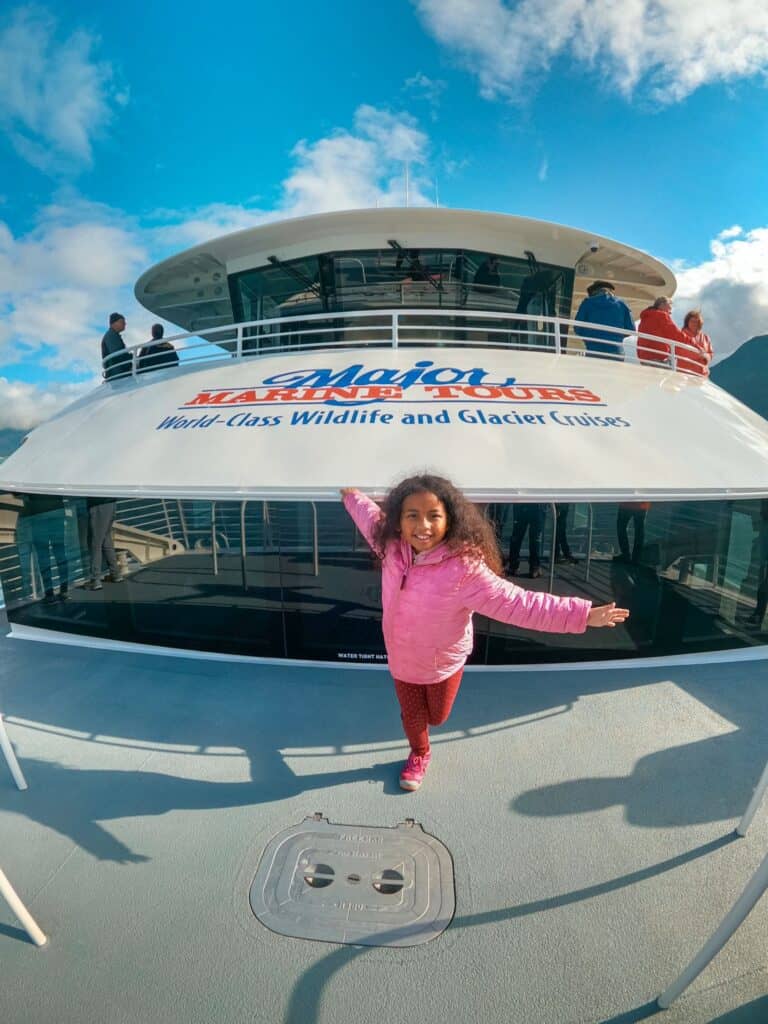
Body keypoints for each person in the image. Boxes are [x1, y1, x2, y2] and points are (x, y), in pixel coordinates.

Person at [341, 476, 628, 791]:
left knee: (437, 717)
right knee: (412, 716)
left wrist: (584, 615)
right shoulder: (390, 548)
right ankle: (420, 754)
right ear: (399, 519)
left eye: (433, 515)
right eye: (412, 515)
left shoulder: (465, 570)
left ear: (450, 519)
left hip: (443, 662)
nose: (422, 525)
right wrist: (350, 494)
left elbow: (522, 604)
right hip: (402, 660)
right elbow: (369, 517)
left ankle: (426, 732)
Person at [19, 494, 69, 604]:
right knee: (60, 552)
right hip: (57, 512)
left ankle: (50, 594)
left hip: (39, 514)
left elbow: (18, 492)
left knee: (43, 556)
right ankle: (64, 591)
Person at [573, 281, 634, 359]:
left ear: (593, 292)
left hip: (593, 349)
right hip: (616, 350)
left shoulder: (587, 302)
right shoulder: (622, 304)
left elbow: (577, 327)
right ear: (611, 291)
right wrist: (616, 337)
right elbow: (630, 329)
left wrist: (590, 338)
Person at [636, 297, 689, 368]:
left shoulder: (644, 319)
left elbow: (640, 340)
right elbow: (676, 334)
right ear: (662, 305)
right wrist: (691, 342)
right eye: (669, 306)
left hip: (644, 358)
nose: (670, 311)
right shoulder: (661, 315)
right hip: (658, 358)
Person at [87, 497, 123, 589]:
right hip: (111, 503)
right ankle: (116, 573)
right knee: (106, 539)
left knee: (96, 543)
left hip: (99, 504)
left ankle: (95, 580)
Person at [508, 502, 547, 578]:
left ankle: (513, 566)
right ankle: (534, 567)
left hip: (521, 503)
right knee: (535, 538)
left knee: (517, 536)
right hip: (538, 504)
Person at [679, 310, 713, 376]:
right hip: (685, 373)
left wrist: (706, 357)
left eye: (697, 321)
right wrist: (700, 355)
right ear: (687, 322)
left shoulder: (705, 337)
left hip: (702, 374)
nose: (694, 323)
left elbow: (710, 353)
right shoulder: (681, 335)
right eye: (692, 321)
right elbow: (680, 351)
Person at [101, 313, 132, 380]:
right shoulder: (111, 336)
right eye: (122, 322)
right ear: (114, 323)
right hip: (117, 374)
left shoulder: (113, 335)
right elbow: (118, 355)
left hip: (118, 373)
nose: (124, 324)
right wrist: (131, 359)